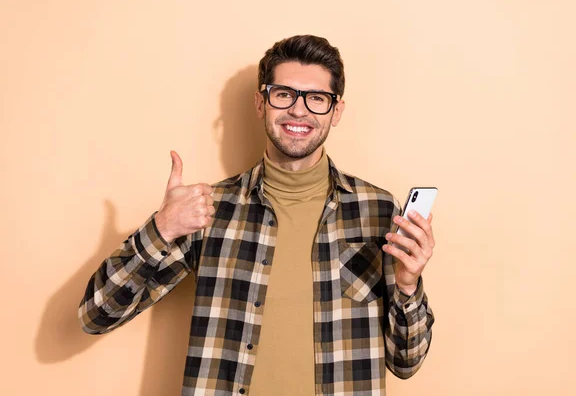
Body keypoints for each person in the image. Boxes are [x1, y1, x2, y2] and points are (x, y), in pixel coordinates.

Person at [79, 34, 436, 396]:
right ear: (261, 103)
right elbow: (96, 316)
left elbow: (407, 363)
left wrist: (408, 286)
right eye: (284, 94)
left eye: (317, 98)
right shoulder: (209, 210)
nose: (299, 110)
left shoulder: (377, 212)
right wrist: (162, 228)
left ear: (336, 111)